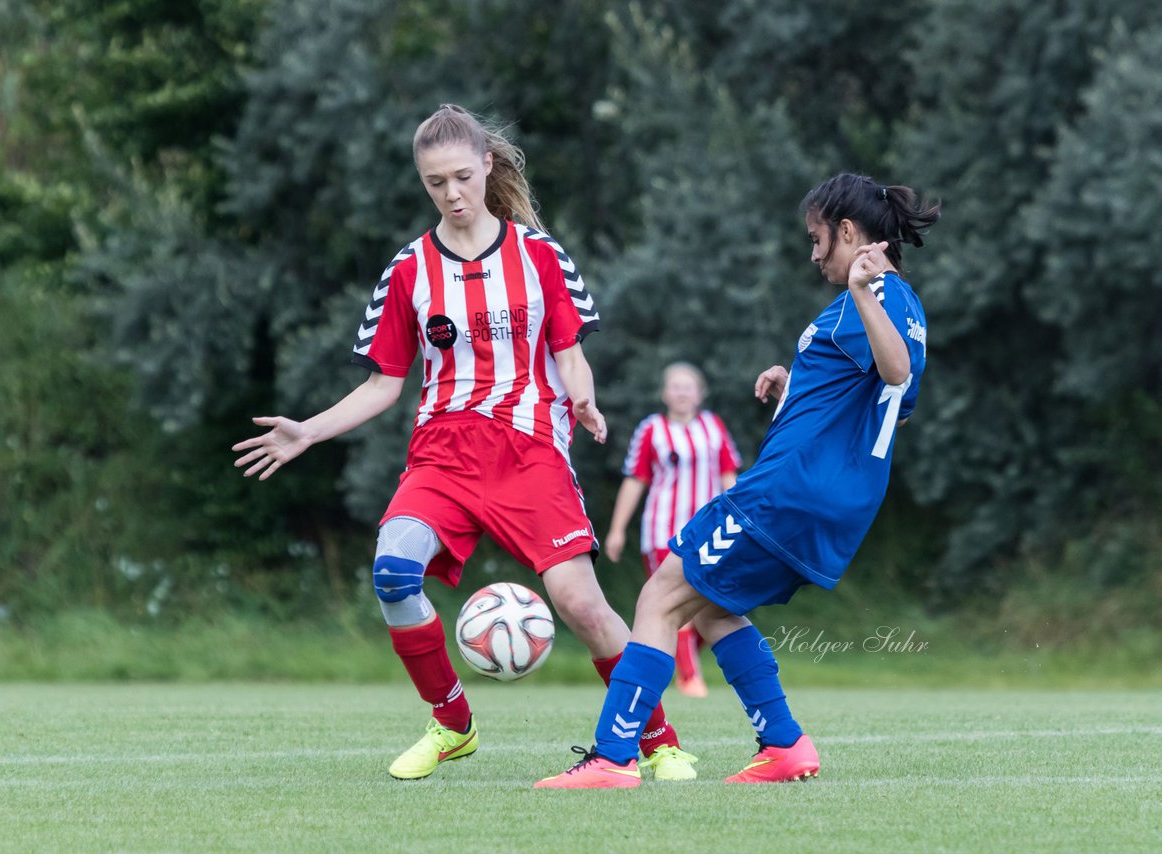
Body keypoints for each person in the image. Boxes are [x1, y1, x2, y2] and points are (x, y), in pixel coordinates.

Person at [232, 104, 695, 782]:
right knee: (393, 570)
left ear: (487, 166)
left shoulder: (539, 254)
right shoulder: (408, 271)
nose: (451, 194)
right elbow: (383, 385)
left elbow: (569, 354)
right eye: (434, 183)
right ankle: (452, 724)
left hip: (530, 446)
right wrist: (308, 429)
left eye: (460, 177)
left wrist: (585, 395)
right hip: (443, 455)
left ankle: (657, 739)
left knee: (582, 605)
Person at [535, 172, 939, 788]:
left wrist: (860, 293)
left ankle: (613, 757)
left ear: (849, 233)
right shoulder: (907, 308)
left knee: (659, 599)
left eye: (817, 238)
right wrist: (795, 385)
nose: (813, 253)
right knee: (713, 611)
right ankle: (784, 745)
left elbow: (894, 373)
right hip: (835, 503)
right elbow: (867, 407)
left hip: (784, 493)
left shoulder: (872, 294)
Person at [604, 362, 741, 697]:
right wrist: (617, 530)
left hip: (710, 532)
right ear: (665, 393)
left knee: (714, 604)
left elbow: (728, 476)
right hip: (663, 532)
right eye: (675, 387)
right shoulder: (652, 429)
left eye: (688, 387)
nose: (681, 393)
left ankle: (670, 664)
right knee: (673, 601)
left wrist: (738, 521)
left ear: (700, 394)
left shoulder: (713, 426)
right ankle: (689, 677)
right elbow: (635, 480)